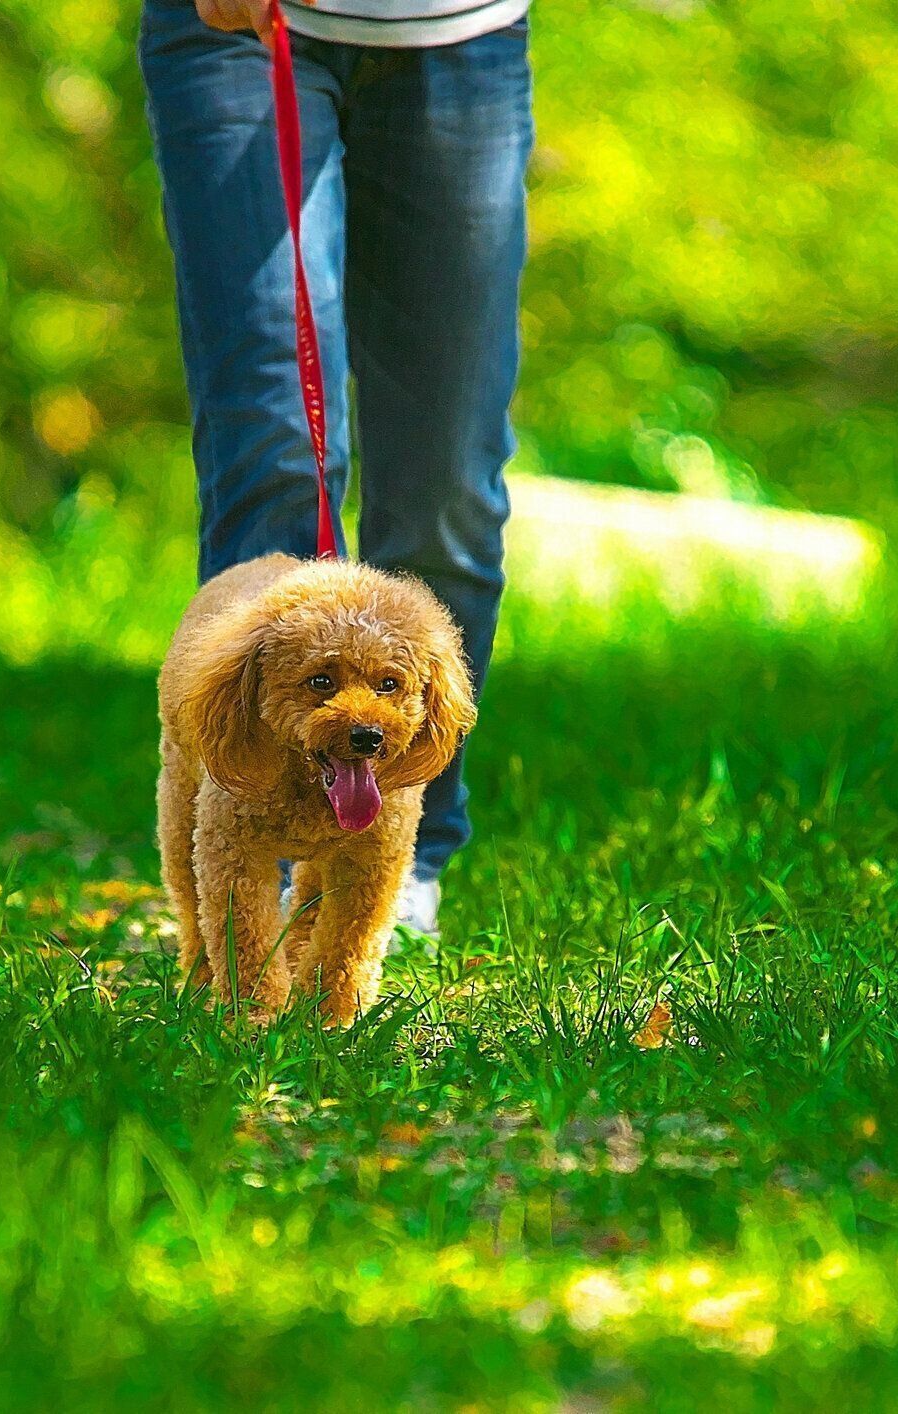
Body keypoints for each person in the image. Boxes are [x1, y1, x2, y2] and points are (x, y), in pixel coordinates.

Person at [139, 0, 533, 935]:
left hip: (458, 37)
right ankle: (248, 854)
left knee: (449, 492)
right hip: (239, 30)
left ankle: (406, 847)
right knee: (272, 456)